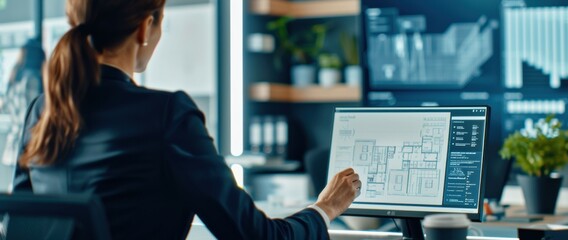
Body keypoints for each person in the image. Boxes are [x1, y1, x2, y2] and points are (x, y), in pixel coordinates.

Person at [11, 0, 361, 239]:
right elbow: (255, 235)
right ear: (145, 28)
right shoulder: (167, 115)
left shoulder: (42, 111)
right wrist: (324, 208)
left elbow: (19, 228)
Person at [1, 39, 45, 166]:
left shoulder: (15, 80)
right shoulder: (33, 79)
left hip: (14, 143)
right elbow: (32, 113)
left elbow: (6, 106)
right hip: (29, 144)